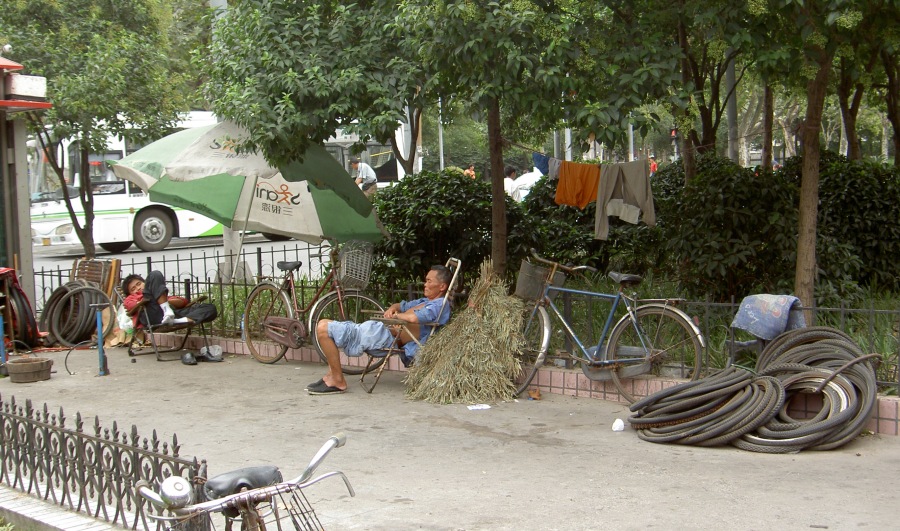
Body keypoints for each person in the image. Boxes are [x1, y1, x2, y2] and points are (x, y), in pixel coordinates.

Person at [308, 265, 453, 395]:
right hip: (377, 331)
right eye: (426, 280)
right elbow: (400, 305)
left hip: (382, 337)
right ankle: (333, 375)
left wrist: (398, 316)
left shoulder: (440, 305)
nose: (425, 284)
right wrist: (392, 310)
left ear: (442, 287)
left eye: (429, 281)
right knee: (324, 326)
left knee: (323, 328)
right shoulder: (426, 301)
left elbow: (416, 318)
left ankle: (337, 379)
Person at [121, 271, 217, 328]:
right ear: (130, 293)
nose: (137, 288)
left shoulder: (160, 293)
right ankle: (166, 310)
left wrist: (164, 300)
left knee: (210, 308)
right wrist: (149, 300)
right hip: (152, 314)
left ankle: (176, 320)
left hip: (174, 315)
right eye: (133, 289)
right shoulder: (131, 298)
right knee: (154, 274)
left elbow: (183, 302)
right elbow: (131, 305)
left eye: (138, 284)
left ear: (144, 283)